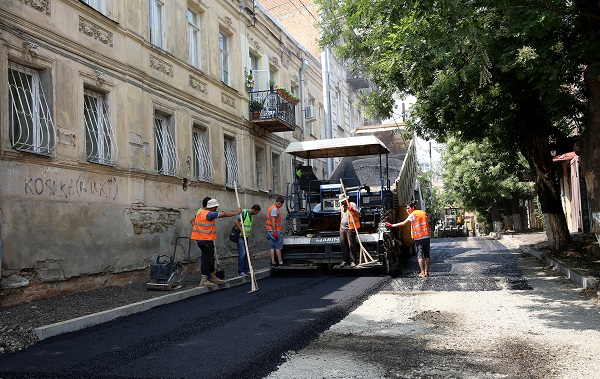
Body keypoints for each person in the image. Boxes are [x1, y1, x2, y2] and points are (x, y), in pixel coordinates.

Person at [191, 198, 241, 287]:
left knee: (210, 258)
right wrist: (236, 213)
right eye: (216, 207)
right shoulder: (209, 214)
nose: (217, 208)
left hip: (201, 240)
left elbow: (192, 221)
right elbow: (224, 214)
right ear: (213, 207)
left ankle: (213, 276)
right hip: (206, 240)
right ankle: (204, 280)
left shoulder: (199, 213)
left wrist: (199, 229)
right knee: (207, 259)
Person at [386, 201, 431, 277]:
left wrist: (392, 225)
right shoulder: (423, 212)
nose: (407, 210)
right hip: (426, 236)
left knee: (420, 255)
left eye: (408, 208)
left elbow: (403, 223)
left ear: (413, 207)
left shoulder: (412, 215)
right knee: (427, 255)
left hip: (418, 237)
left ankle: (422, 272)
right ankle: (427, 271)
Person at [234, 204, 261, 276]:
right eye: (257, 212)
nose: (256, 214)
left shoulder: (251, 215)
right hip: (240, 236)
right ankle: (240, 271)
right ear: (254, 210)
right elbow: (236, 221)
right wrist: (241, 230)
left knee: (246, 254)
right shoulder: (244, 212)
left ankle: (246, 270)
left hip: (246, 236)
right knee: (242, 254)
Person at [338, 194, 360, 267]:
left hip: (350, 228)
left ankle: (353, 261)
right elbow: (342, 217)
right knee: (343, 245)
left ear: (345, 200)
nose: (341, 202)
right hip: (343, 228)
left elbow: (358, 215)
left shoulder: (352, 204)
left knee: (351, 245)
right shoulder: (342, 207)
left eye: (342, 201)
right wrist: (340, 228)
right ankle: (345, 261)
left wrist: (352, 210)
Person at [266, 196, 285, 266]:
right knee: (278, 247)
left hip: (270, 230)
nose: (279, 205)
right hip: (275, 230)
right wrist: (275, 232)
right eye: (279, 204)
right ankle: (280, 262)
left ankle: (273, 262)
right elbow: (273, 221)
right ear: (276, 202)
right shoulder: (274, 209)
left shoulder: (272, 207)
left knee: (272, 246)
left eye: (281, 205)